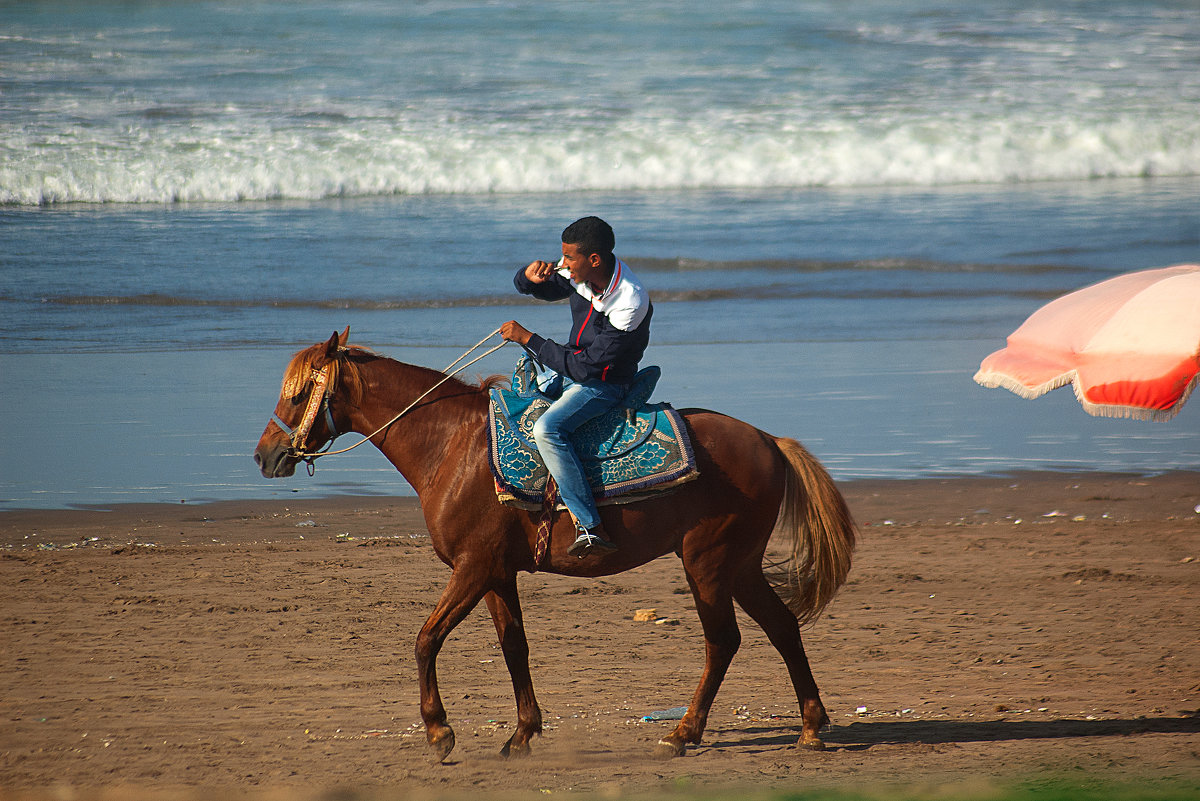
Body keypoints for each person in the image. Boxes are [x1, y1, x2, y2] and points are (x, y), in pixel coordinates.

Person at [500, 217, 653, 558]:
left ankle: (589, 526)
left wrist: (529, 339)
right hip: (575, 366)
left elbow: (586, 368)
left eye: (568, 258)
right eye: (562, 257)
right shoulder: (580, 273)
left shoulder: (629, 301)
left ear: (593, 260)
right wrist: (527, 277)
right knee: (515, 397)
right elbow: (541, 287)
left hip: (604, 383)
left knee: (547, 428)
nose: (562, 264)